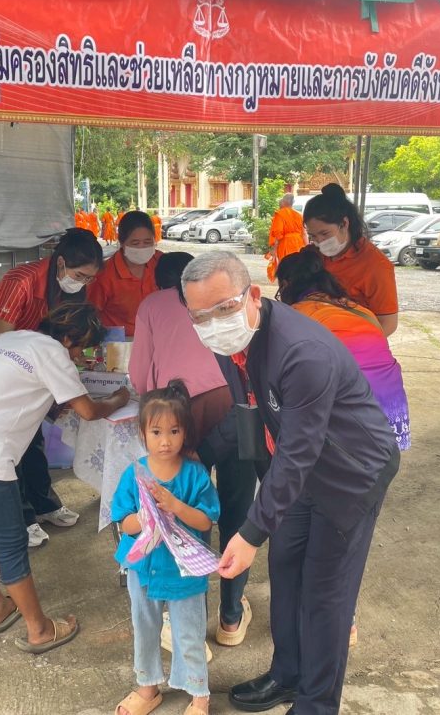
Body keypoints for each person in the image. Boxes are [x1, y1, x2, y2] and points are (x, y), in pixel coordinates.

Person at [182, 251, 399, 714]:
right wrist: (196, 457)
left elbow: (300, 449)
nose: (213, 324)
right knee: (284, 570)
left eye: (224, 308)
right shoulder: (230, 344)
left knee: (324, 593)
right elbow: (248, 413)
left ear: (253, 296)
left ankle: (316, 704)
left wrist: (251, 531)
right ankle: (287, 675)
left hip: (350, 472)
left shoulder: (302, 352)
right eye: (200, 316)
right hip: (298, 471)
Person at [0, 303, 130, 653]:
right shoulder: (54, 352)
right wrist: (119, 398)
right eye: (80, 348)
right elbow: (89, 411)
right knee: (10, 541)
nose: (79, 357)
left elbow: (15, 394)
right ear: (69, 338)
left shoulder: (11, 338)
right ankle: (39, 630)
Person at [130, 253, 256, 648]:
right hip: (234, 404)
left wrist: (157, 416)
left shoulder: (152, 304)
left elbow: (139, 376)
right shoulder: (223, 298)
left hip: (178, 414)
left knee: (181, 511)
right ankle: (231, 617)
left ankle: (186, 623)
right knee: (237, 510)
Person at [0, 228, 103, 546]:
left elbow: (63, 334)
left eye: (89, 278)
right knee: (13, 438)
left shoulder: (71, 289)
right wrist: (51, 369)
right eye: (80, 275)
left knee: (34, 434)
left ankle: (43, 503)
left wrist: (72, 358)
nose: (83, 283)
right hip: (2, 356)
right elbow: (2, 341)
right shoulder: (22, 281)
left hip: (39, 354)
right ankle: (20, 516)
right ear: (60, 263)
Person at [111, 381, 220, 715]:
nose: (165, 441)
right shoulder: (134, 474)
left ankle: (199, 693)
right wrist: (143, 519)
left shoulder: (195, 475)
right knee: (144, 629)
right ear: (143, 433)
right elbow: (123, 521)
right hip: (143, 568)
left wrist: (175, 506)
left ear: (185, 432)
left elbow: (206, 521)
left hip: (184, 572)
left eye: (174, 431)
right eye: (156, 432)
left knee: (189, 632)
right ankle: (148, 687)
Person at [276, 249, 410, 451]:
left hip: (353, 411)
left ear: (286, 285)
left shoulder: (297, 315)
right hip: (392, 407)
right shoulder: (358, 309)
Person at [303, 183, 399, 336]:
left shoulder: (376, 265)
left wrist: (353, 344)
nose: (319, 241)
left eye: (325, 234)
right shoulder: (311, 254)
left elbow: (388, 323)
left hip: (353, 340)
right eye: (313, 236)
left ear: (344, 224)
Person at [88, 210, 164, 336]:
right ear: (122, 242)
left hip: (156, 337)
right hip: (118, 342)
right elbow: (91, 313)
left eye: (147, 242)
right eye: (135, 243)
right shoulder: (105, 274)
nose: (142, 248)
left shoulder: (161, 262)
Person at [268, 194, 307, 267]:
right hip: (299, 244)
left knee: (286, 266)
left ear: (283, 202)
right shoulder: (299, 215)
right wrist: (307, 247)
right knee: (297, 266)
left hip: (285, 244)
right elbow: (304, 233)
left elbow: (278, 233)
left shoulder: (280, 214)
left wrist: (274, 249)